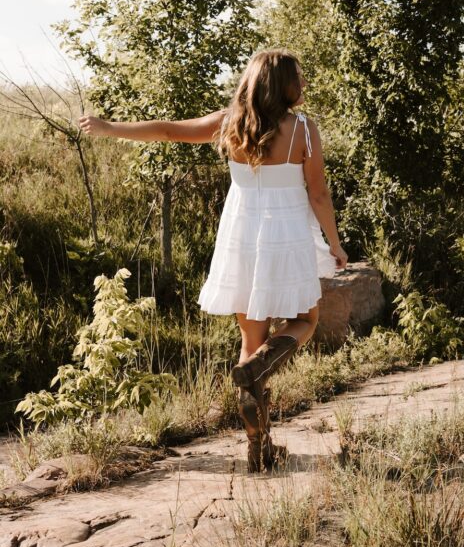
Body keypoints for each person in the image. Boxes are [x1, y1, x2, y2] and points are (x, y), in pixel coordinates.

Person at [79, 48, 348, 473]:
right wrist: (335, 245)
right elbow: (318, 194)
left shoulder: (230, 124)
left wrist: (109, 127)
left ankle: (258, 448)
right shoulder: (303, 130)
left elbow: (167, 132)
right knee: (305, 321)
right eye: (299, 77)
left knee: (249, 343)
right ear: (282, 85)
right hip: (288, 238)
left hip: (242, 239)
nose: (304, 85)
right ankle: (262, 367)